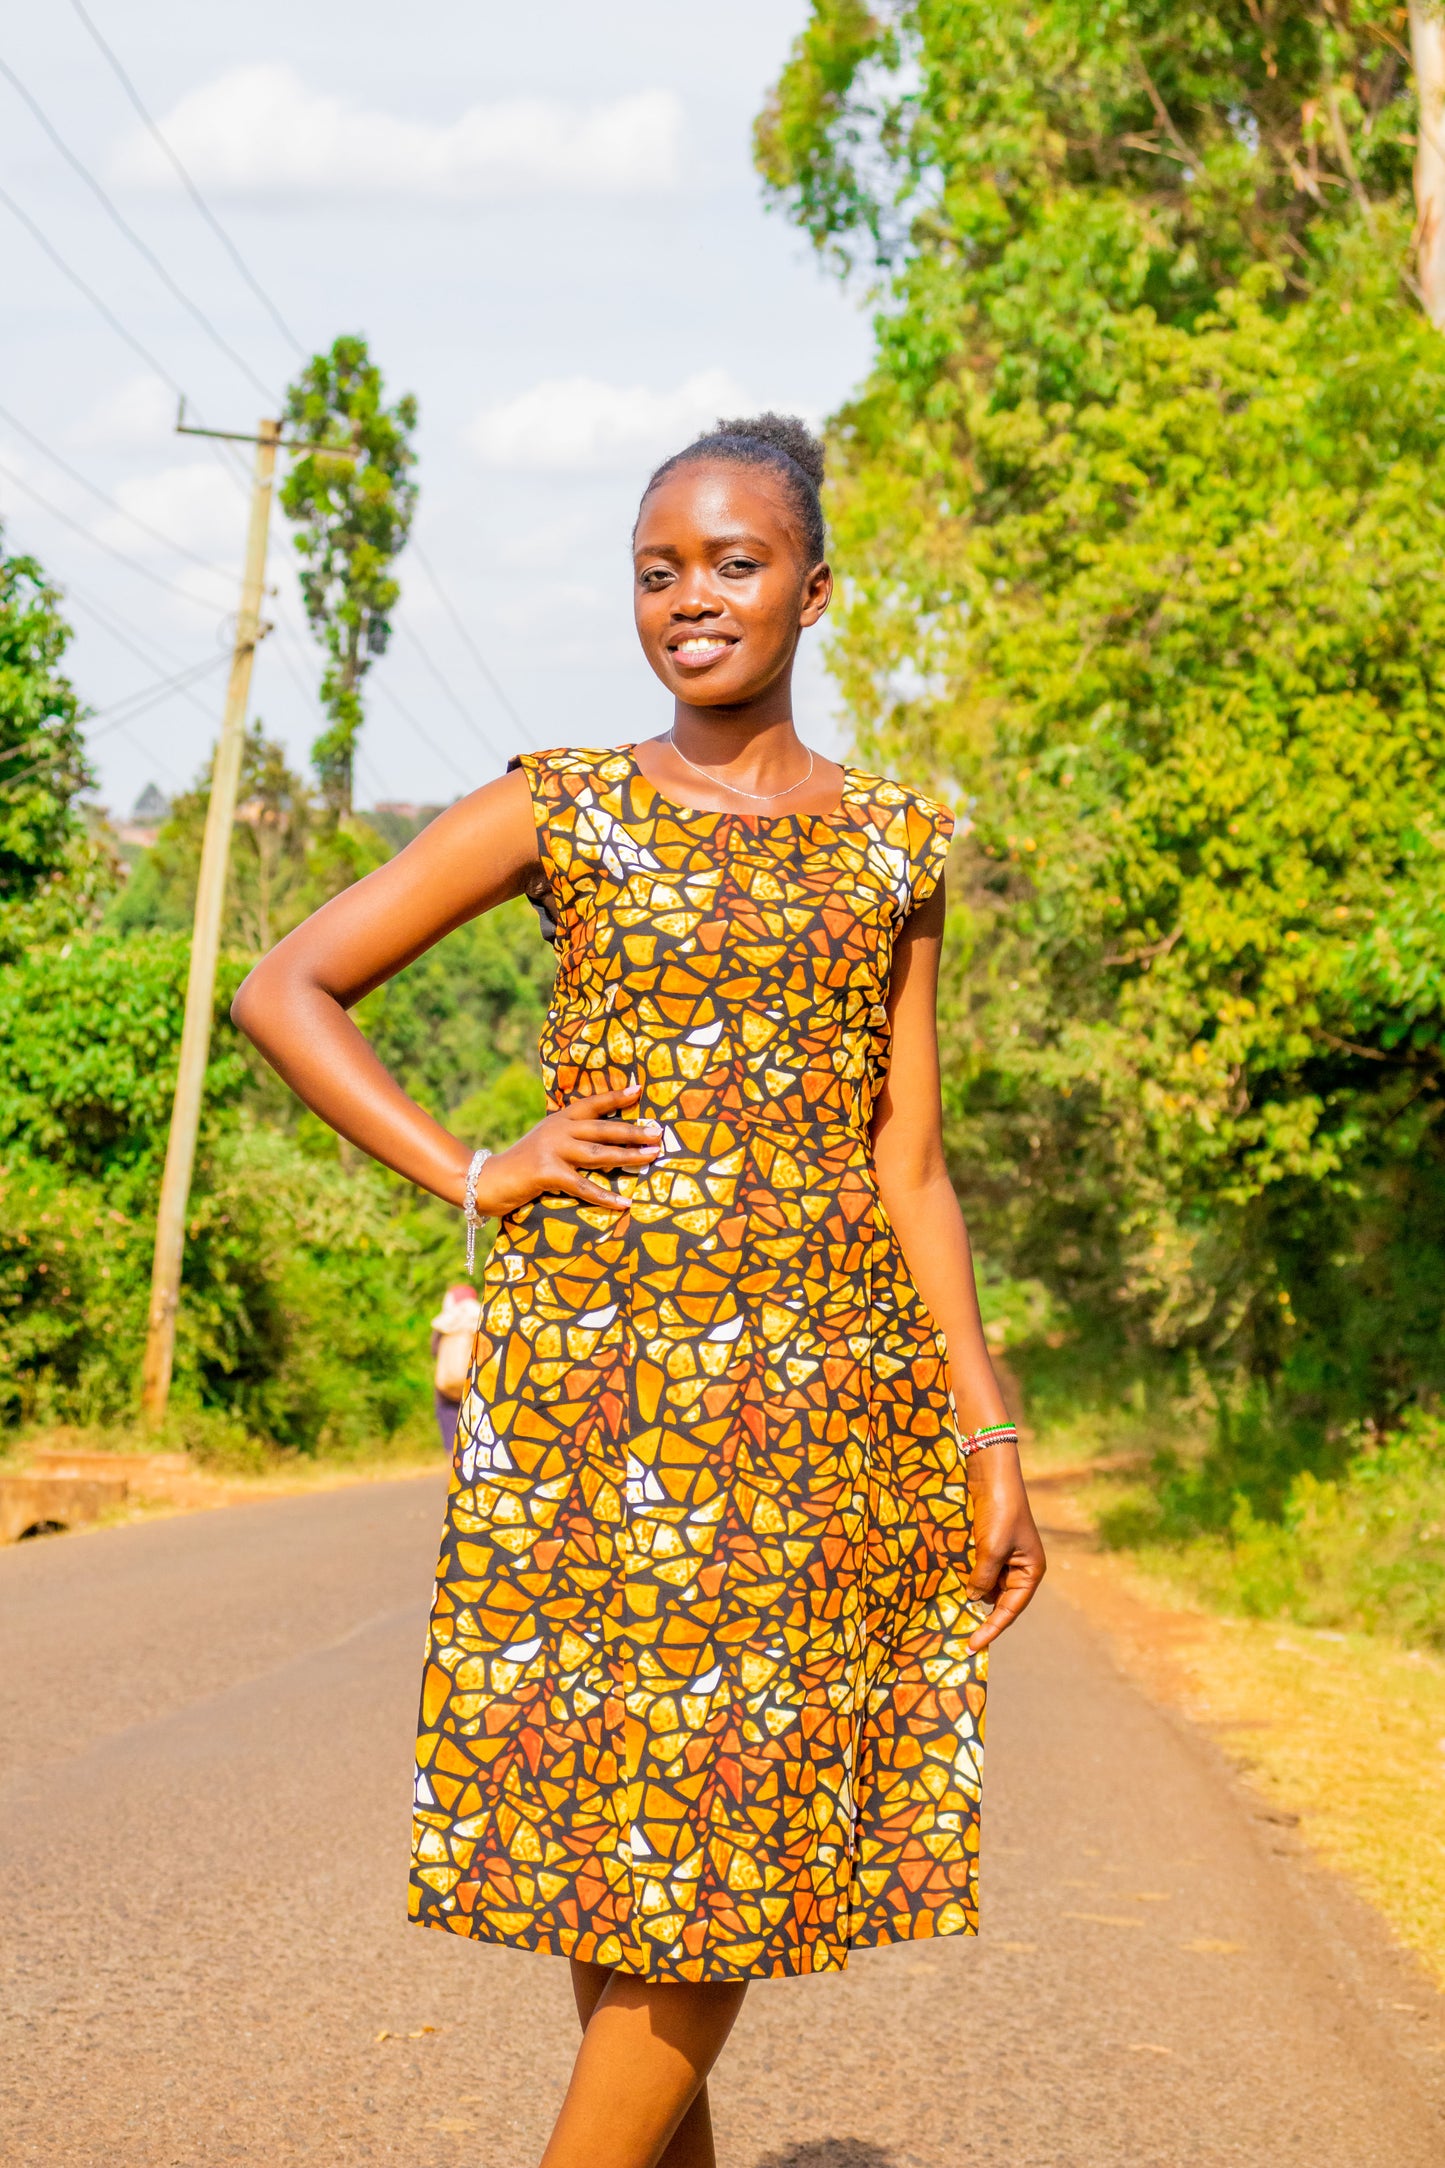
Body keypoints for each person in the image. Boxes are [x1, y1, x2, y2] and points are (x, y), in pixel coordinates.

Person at [232, 411, 1045, 2168]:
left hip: (827, 1414)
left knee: (719, 1846)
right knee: (630, 1852)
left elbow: (913, 1160)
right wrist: (473, 1163)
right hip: (592, 1400)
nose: (693, 598)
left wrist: (990, 1428)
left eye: (735, 563)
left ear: (815, 592)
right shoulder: (565, 805)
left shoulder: (897, 840)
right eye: (658, 569)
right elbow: (289, 986)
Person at [431, 1280, 483, 1452]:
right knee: (478, 1437)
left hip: (446, 1391)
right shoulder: (481, 1319)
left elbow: (434, 1351)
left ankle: (455, 1471)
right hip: (477, 1389)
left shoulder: (444, 1323)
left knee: (452, 1440)